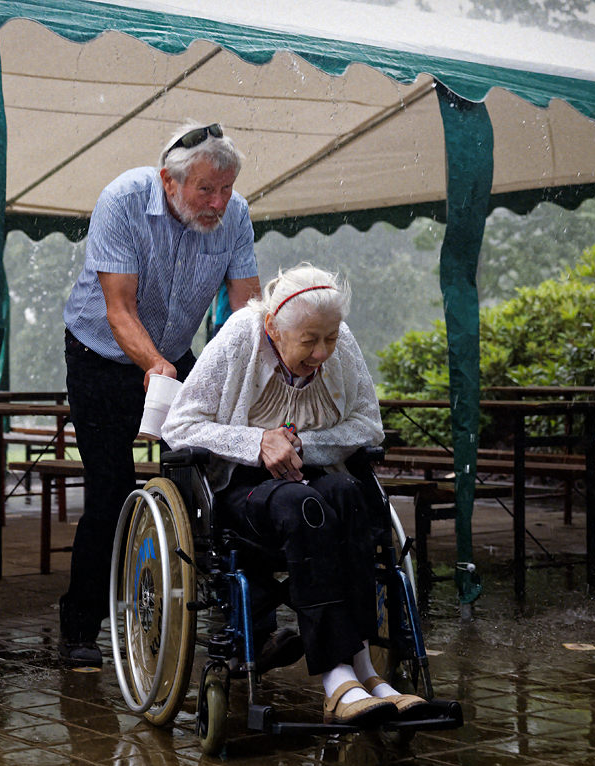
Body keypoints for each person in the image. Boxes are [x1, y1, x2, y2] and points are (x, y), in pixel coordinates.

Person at [161, 264, 429, 725]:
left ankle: (366, 669)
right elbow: (179, 426)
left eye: (330, 337)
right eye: (309, 340)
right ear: (273, 327)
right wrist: (257, 442)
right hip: (240, 487)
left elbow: (368, 424)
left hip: (312, 471)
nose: (322, 351)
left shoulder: (337, 343)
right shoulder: (240, 337)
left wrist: (304, 444)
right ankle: (335, 676)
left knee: (348, 495)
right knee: (302, 506)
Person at [58, 122, 261, 668]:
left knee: (221, 470)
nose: (219, 202)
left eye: (226, 189)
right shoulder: (123, 200)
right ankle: (80, 628)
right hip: (101, 355)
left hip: (173, 353)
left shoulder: (235, 215)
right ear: (170, 182)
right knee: (111, 492)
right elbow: (119, 309)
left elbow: (246, 311)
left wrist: (236, 380)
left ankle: (233, 609)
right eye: (206, 190)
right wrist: (153, 364)